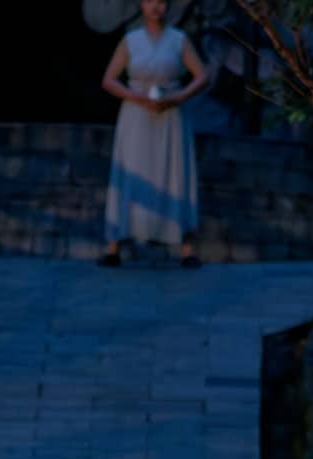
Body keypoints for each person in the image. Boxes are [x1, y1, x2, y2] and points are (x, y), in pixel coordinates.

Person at [97, 0, 210, 268]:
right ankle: (113, 245)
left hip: (170, 114)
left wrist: (178, 96)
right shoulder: (131, 40)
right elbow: (109, 79)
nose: (155, 7)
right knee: (132, 172)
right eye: (150, 1)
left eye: (160, 2)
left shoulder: (178, 39)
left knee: (173, 173)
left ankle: (186, 246)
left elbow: (201, 75)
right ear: (142, 5)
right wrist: (135, 96)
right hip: (137, 114)